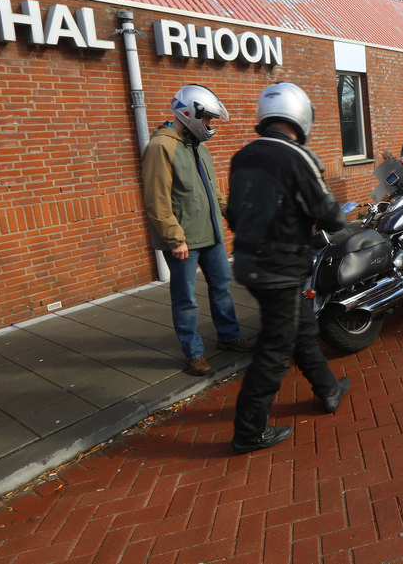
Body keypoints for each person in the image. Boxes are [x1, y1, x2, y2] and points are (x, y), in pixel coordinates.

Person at [226, 81, 352, 453]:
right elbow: (330, 215)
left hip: (248, 262)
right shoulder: (298, 157)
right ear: (300, 115)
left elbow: (234, 214)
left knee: (301, 329)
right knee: (275, 349)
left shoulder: (242, 156)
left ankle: (328, 390)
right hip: (279, 268)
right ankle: (249, 431)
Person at [142, 84, 253, 377]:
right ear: (190, 113)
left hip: (210, 234)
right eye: (207, 119)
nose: (209, 124)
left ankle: (229, 335)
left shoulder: (199, 147)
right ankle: (194, 354)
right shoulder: (161, 147)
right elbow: (156, 199)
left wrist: (231, 216)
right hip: (182, 241)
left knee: (222, 287)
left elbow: (212, 191)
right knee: (185, 299)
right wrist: (174, 238)